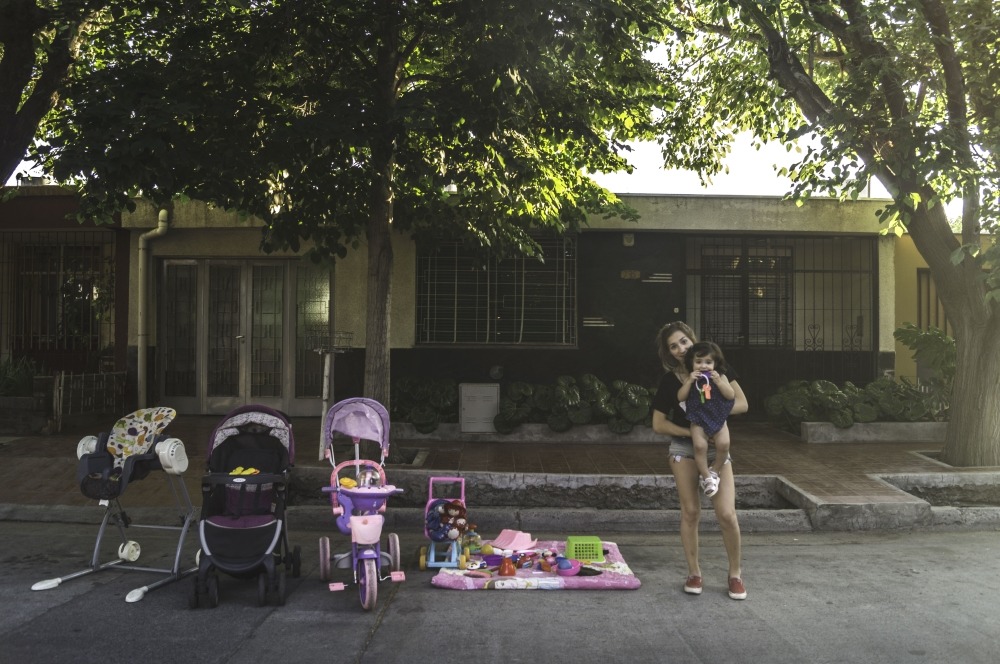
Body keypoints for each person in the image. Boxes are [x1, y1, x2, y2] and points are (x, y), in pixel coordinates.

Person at [651, 321, 749, 600]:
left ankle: (735, 575)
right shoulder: (671, 381)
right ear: (669, 352)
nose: (680, 348)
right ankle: (694, 572)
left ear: (691, 339)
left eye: (683, 341)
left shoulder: (715, 367)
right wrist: (693, 432)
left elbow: (742, 403)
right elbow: (658, 423)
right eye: (673, 346)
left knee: (727, 514)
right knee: (691, 512)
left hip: (715, 442)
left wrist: (713, 418)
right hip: (685, 447)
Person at [676, 341, 736, 498]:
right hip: (698, 419)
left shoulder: (720, 377)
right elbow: (680, 397)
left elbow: (730, 395)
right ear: (691, 363)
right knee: (700, 446)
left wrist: (718, 381)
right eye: (698, 362)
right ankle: (706, 477)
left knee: (724, 444)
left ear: (715, 363)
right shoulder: (691, 380)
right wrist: (688, 381)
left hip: (718, 417)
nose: (703, 366)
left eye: (708, 362)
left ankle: (714, 471)